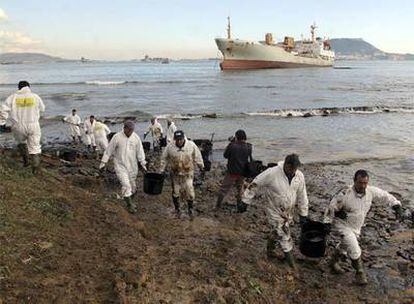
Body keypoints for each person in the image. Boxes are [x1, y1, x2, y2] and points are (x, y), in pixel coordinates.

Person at [323, 169, 403, 285]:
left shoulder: (370, 191)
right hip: (343, 225)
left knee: (345, 246)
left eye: (365, 183)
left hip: (357, 226)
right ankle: (360, 274)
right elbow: (331, 207)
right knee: (355, 249)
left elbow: (385, 196)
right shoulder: (345, 193)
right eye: (360, 183)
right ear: (354, 181)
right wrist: (327, 223)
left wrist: (396, 205)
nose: (363, 186)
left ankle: (333, 262)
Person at [242, 154, 309, 269]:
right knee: (284, 236)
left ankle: (270, 251)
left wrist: (303, 213)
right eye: (292, 169)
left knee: (276, 231)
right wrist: (246, 200)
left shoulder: (299, 176)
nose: (294, 171)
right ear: (287, 165)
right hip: (273, 210)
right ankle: (292, 266)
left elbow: (302, 195)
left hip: (288, 212)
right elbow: (255, 183)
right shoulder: (272, 173)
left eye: (296, 169)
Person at [99, 121, 147, 214]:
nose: (131, 132)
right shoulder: (117, 137)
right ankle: (129, 206)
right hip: (120, 165)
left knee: (133, 187)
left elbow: (140, 152)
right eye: (129, 130)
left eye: (132, 130)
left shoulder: (136, 138)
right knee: (126, 185)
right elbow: (108, 151)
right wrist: (103, 163)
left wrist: (143, 164)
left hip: (133, 166)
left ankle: (129, 200)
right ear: (124, 128)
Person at [0, 81, 45, 174]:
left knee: (21, 143)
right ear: (29, 87)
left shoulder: (12, 97)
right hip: (33, 124)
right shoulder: (35, 97)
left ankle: (26, 162)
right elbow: (42, 109)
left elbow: (3, 110)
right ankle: (35, 168)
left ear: (19, 88)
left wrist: (2, 122)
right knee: (35, 146)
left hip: (18, 125)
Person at [160, 130, 204, 220]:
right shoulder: (170, 147)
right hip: (175, 174)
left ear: (184, 138)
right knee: (176, 192)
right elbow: (164, 159)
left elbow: (197, 156)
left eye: (180, 139)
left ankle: (190, 209)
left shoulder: (191, 145)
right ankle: (177, 209)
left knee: (190, 192)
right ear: (174, 139)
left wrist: (201, 167)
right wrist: (161, 170)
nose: (179, 141)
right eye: (177, 139)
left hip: (188, 173)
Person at [216, 129, 252, 212]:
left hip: (232, 172)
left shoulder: (232, 146)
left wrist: (231, 143)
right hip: (243, 172)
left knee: (223, 189)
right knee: (240, 189)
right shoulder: (249, 147)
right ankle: (239, 207)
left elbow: (225, 155)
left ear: (236, 137)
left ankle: (217, 206)